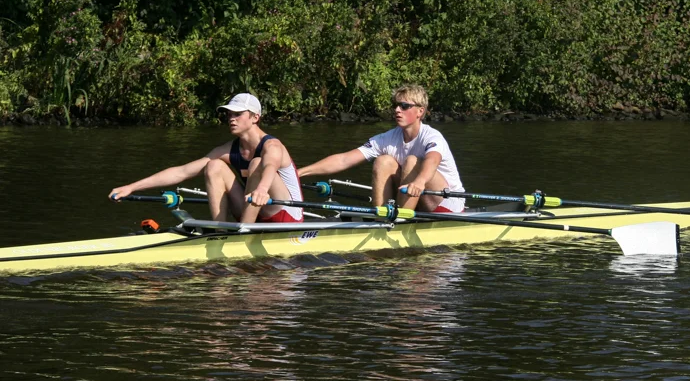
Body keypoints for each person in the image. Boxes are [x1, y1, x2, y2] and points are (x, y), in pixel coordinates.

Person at [109, 93, 304, 223]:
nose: (231, 118)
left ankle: (245, 231)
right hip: (252, 209)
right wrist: (131, 187)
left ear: (255, 117)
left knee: (257, 163)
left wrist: (262, 189)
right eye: (229, 114)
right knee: (213, 166)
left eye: (237, 114)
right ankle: (220, 229)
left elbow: (269, 166)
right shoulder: (229, 149)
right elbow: (182, 172)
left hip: (285, 213)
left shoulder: (272, 145)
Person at [298, 84, 465, 212]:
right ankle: (382, 215)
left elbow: (432, 160)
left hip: (448, 203)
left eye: (404, 106)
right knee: (383, 161)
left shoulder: (431, 136)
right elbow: (344, 159)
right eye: (396, 105)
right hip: (415, 199)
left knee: (412, 161)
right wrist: (298, 173)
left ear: (420, 111)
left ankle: (401, 219)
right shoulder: (388, 138)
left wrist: (420, 181)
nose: (397, 110)